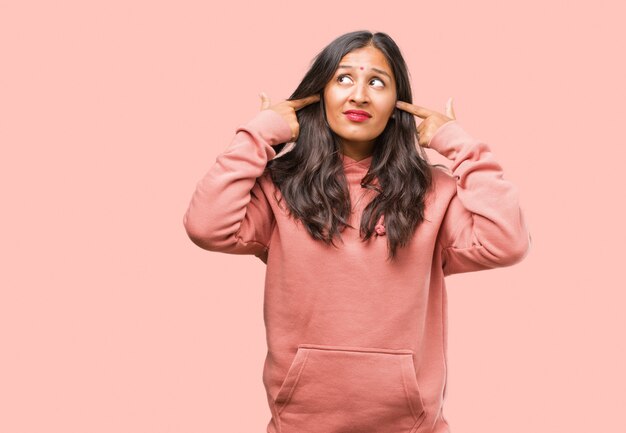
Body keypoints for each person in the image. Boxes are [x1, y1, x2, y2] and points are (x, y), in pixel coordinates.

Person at [183, 30, 530, 433]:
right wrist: (259, 134)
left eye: (377, 82)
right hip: (300, 423)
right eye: (344, 78)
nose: (359, 95)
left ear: (398, 104)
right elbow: (206, 226)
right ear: (318, 95)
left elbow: (506, 242)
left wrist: (458, 144)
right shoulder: (278, 187)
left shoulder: (434, 191)